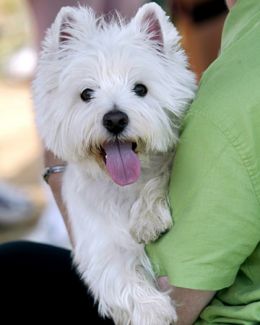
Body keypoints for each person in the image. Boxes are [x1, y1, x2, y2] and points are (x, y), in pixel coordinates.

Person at [1, 0, 259, 324]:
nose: (114, 114)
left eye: (139, 89)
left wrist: (58, 176)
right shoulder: (243, 37)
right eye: (87, 94)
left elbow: (178, 304)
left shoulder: (216, 131)